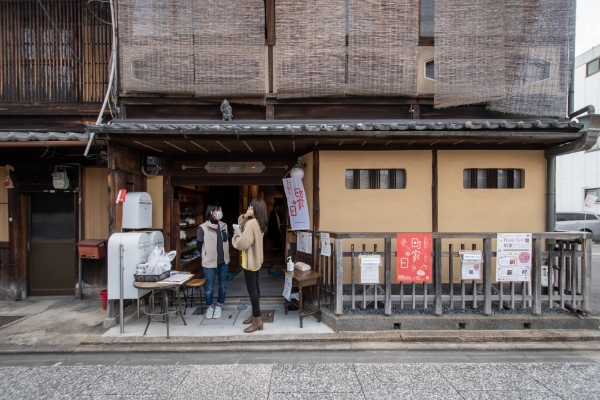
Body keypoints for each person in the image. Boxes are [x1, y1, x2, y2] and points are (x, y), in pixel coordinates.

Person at [232, 198, 268, 333]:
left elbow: (242, 243)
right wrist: (245, 216)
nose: (249, 209)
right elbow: (242, 223)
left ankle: (257, 320)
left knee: (252, 290)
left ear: (256, 209)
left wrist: (235, 236)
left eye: (251, 207)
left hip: (249, 261)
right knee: (256, 289)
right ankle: (254, 315)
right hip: (257, 260)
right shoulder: (260, 222)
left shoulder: (251, 223)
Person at [196, 203, 229, 319]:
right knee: (209, 286)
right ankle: (209, 307)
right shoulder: (203, 227)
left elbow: (226, 240)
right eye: (218, 210)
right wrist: (206, 254)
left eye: (220, 210)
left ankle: (219, 305)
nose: (220, 212)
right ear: (211, 212)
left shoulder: (224, 225)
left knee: (222, 285)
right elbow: (198, 245)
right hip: (209, 261)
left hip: (223, 261)